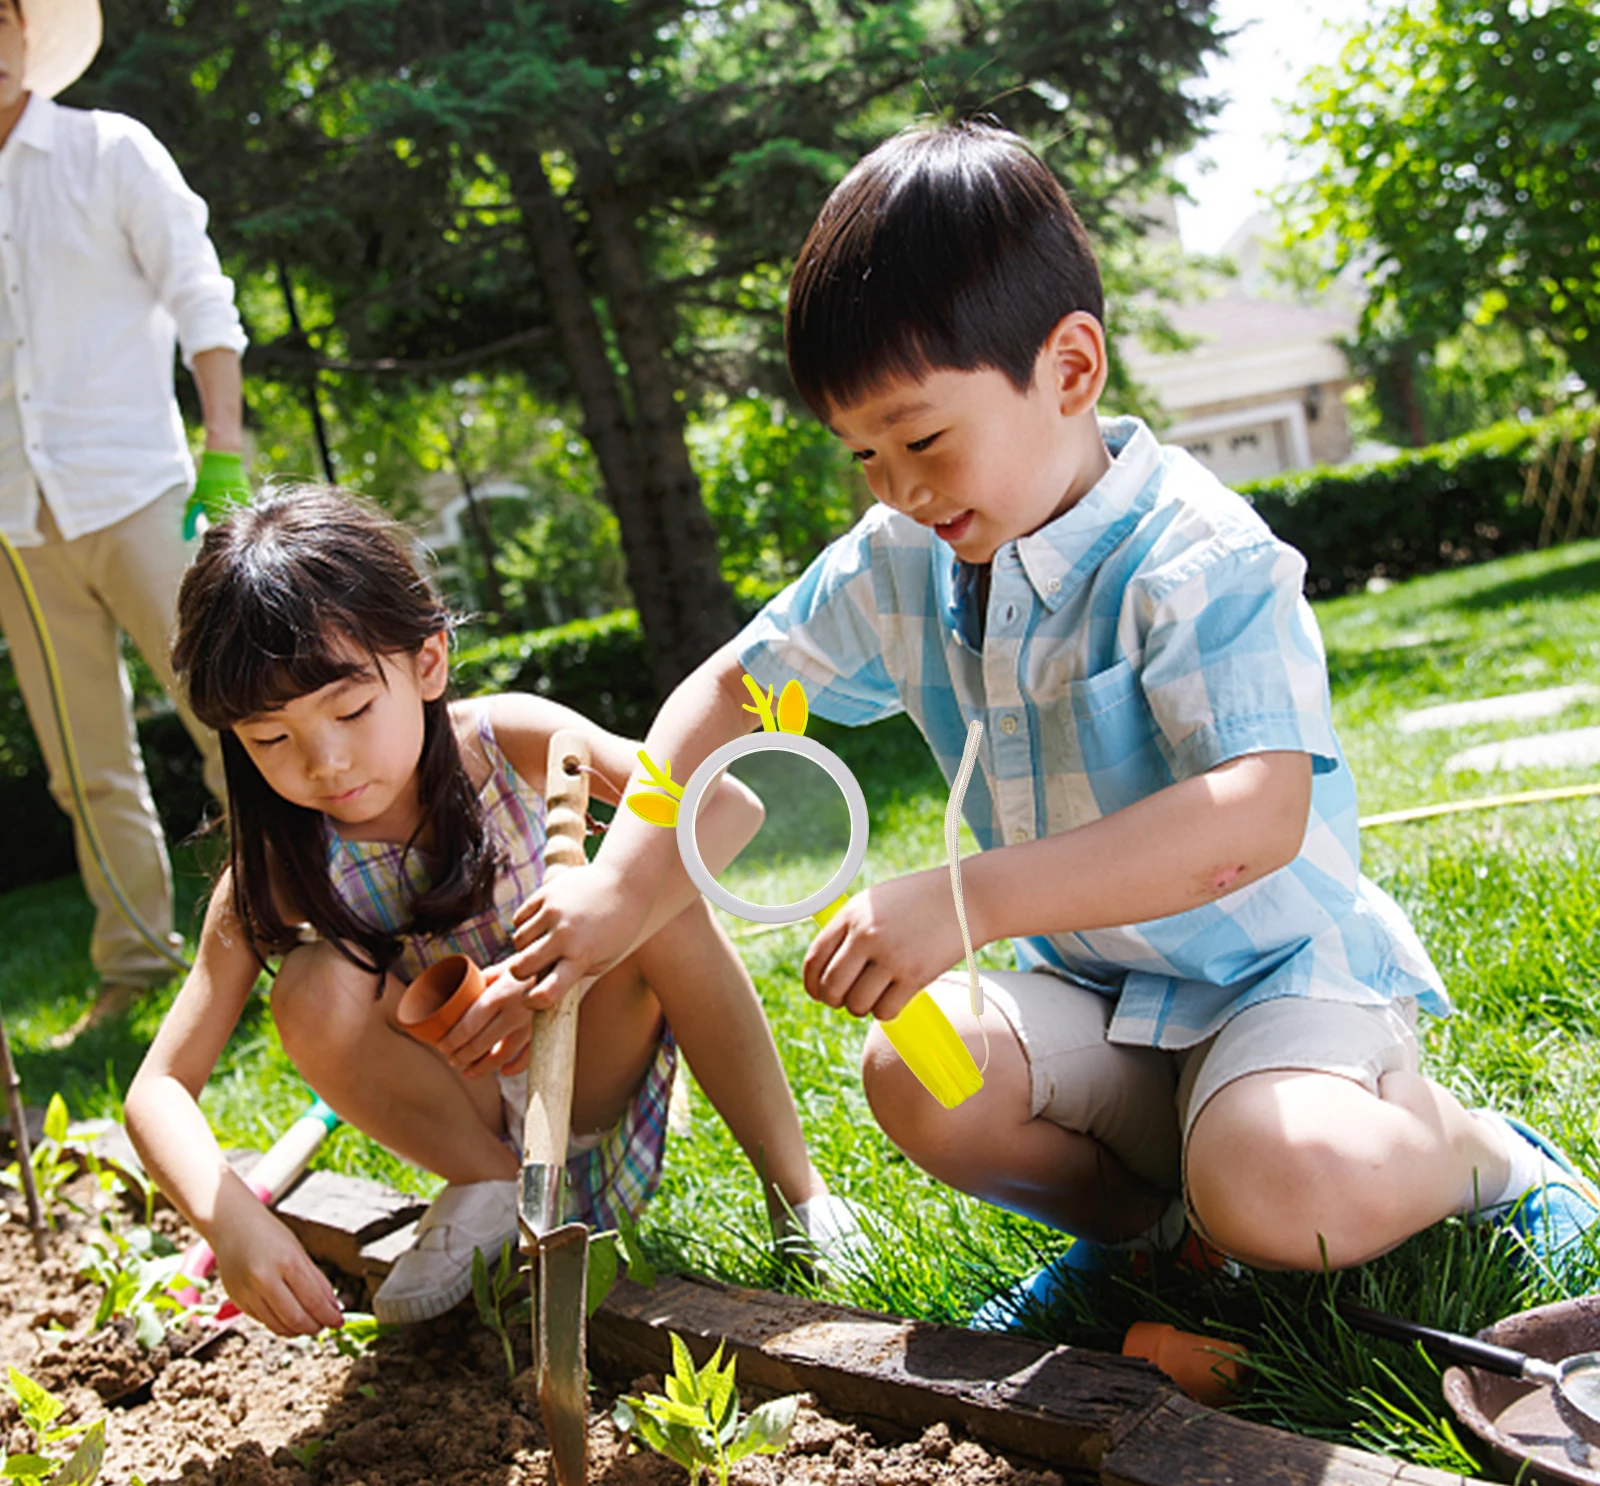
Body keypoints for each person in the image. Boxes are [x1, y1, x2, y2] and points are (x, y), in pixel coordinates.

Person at [509, 121, 1600, 1319]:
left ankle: (1477, 1159)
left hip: (1281, 990)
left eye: (922, 438)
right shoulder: (903, 560)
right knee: (919, 1066)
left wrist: (967, 899)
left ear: (1069, 369)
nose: (899, 488)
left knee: (1283, 1179)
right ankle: (1149, 1238)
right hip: (1103, 1002)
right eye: (864, 455)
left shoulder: (1196, 556)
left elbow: (1255, 810)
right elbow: (724, 694)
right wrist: (622, 882)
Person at [123, 485, 849, 1332]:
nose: (323, 761)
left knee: (657, 887)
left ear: (427, 661)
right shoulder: (278, 864)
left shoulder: (507, 740)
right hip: (464, 1109)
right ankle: (487, 1191)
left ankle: (801, 1200)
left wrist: (580, 950)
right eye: (270, 739)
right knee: (309, 989)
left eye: (351, 708)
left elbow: (726, 810)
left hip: (589, 1063)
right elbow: (157, 1088)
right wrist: (230, 1217)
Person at [0, 0, 249, 1045]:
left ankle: (296, 928)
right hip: (17, 526)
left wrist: (224, 447)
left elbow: (201, 295)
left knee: (232, 719)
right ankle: (137, 966)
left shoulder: (109, 151)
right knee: (84, 763)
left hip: (149, 492)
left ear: (22, 33)